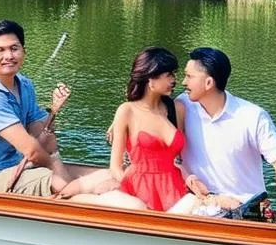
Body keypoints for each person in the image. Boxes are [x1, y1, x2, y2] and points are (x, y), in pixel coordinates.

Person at [175, 47, 276, 225]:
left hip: (244, 212)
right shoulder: (182, 106)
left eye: (189, 77)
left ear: (208, 83)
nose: (183, 82)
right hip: (198, 206)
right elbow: (167, 153)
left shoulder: (252, 116)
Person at [56, 47, 186, 211]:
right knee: (138, 208)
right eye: (169, 75)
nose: (174, 80)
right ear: (150, 79)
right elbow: (115, 166)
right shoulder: (127, 111)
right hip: (138, 185)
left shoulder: (177, 108)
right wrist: (130, 185)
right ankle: (78, 200)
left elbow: (180, 158)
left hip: (173, 185)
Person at [0, 19, 73, 195]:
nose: (8, 56)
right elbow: (32, 151)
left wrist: (54, 110)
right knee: (60, 181)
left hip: (14, 167)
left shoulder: (25, 85)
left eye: (14, 49)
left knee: (88, 178)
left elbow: (38, 132)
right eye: (0, 50)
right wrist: (54, 164)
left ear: (24, 51)